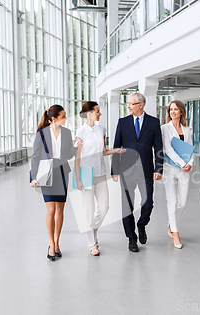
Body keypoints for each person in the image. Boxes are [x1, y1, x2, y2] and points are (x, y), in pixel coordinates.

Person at [111, 92, 164, 252]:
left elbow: (159, 148)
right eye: (128, 103)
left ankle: (141, 225)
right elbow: (116, 147)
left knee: (148, 203)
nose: (128, 106)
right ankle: (131, 238)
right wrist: (114, 170)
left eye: (131, 104)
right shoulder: (123, 122)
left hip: (146, 170)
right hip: (126, 171)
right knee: (127, 205)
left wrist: (159, 168)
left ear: (140, 105)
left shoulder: (153, 123)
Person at [30, 105, 82, 261]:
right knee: (51, 210)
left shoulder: (66, 133)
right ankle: (51, 245)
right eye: (63, 116)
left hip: (61, 172)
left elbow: (67, 155)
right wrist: (33, 176)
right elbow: (36, 156)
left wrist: (75, 146)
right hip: (46, 173)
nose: (66, 118)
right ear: (54, 118)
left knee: (60, 210)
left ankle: (57, 243)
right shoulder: (42, 134)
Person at [74, 101, 125, 256]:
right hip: (86, 173)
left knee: (104, 207)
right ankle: (92, 244)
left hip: (101, 172)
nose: (100, 114)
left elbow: (103, 151)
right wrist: (78, 179)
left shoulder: (101, 129)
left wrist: (115, 151)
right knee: (88, 209)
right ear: (89, 113)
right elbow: (77, 158)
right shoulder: (80, 132)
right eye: (97, 111)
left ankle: (91, 228)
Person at [161, 100, 193, 249]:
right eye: (170, 110)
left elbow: (190, 149)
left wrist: (190, 164)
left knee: (183, 202)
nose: (173, 112)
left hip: (184, 170)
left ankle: (170, 223)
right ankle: (175, 232)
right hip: (169, 168)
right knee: (172, 201)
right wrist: (182, 163)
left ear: (181, 111)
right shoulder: (165, 129)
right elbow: (167, 149)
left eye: (175, 109)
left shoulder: (187, 129)